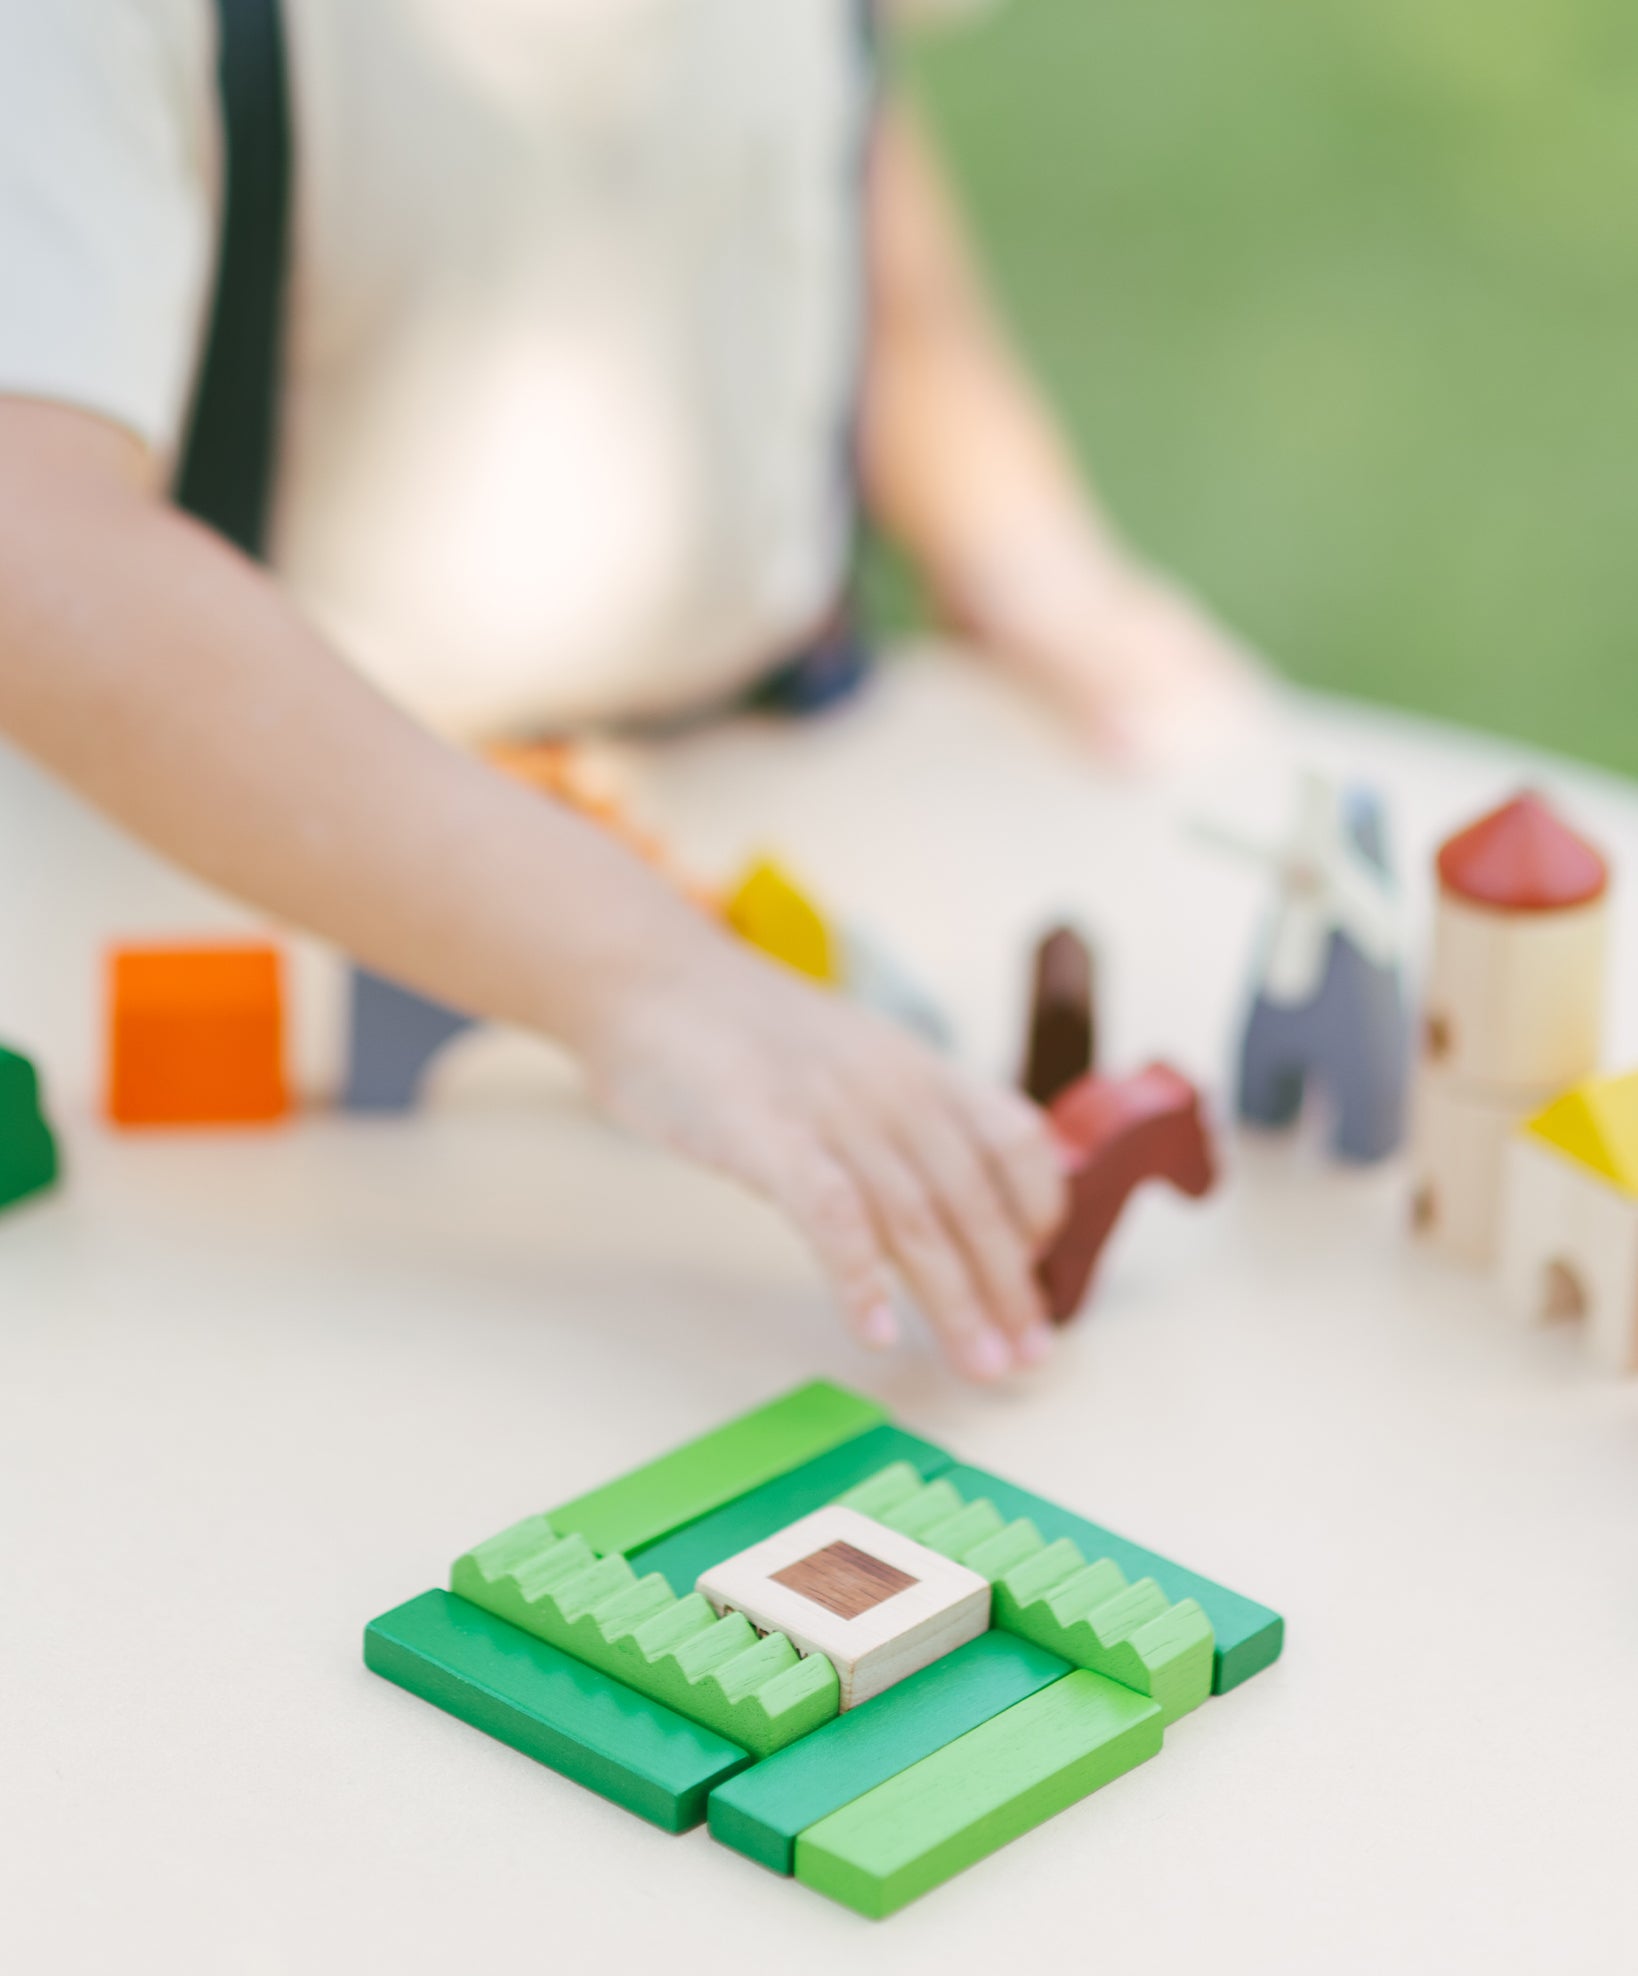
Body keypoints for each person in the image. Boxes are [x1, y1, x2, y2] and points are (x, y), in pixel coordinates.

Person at [0, 0, 1264, 1381]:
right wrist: (642, 971)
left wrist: (1028, 558)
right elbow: (38, 541)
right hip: (278, 873)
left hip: (757, 780)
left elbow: (819, 134)